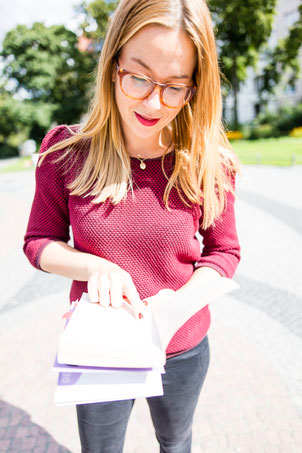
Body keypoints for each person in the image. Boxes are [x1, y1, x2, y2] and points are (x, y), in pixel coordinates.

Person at [23, 0, 241, 451]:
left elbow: (225, 252)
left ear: (195, 90)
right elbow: (38, 241)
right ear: (113, 63)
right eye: (138, 77)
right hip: (99, 348)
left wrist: (179, 303)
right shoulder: (66, 152)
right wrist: (93, 268)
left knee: (175, 442)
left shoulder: (209, 164)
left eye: (175, 86)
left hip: (183, 344)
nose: (153, 102)